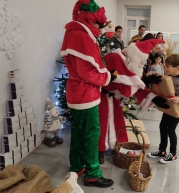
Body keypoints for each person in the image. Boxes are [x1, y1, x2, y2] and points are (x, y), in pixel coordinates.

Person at [60, 0, 116, 188]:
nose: (100, 28)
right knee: (92, 133)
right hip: (86, 93)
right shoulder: (81, 35)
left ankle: (77, 166)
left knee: (78, 132)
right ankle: (92, 174)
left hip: (78, 92)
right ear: (91, 19)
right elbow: (87, 71)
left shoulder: (74, 33)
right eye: (99, 24)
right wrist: (107, 77)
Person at [98, 39, 166, 164]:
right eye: (140, 62)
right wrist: (145, 81)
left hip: (114, 97)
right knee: (101, 123)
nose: (140, 65)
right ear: (134, 55)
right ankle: (99, 150)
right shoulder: (115, 59)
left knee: (118, 121)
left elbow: (133, 83)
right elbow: (125, 87)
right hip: (102, 95)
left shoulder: (128, 62)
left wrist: (153, 97)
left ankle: (119, 146)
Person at [147, 55, 179, 164]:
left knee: (170, 129)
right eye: (165, 66)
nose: (165, 69)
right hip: (169, 106)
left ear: (177, 67)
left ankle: (173, 154)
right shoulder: (168, 76)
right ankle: (162, 150)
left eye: (167, 66)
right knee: (162, 126)